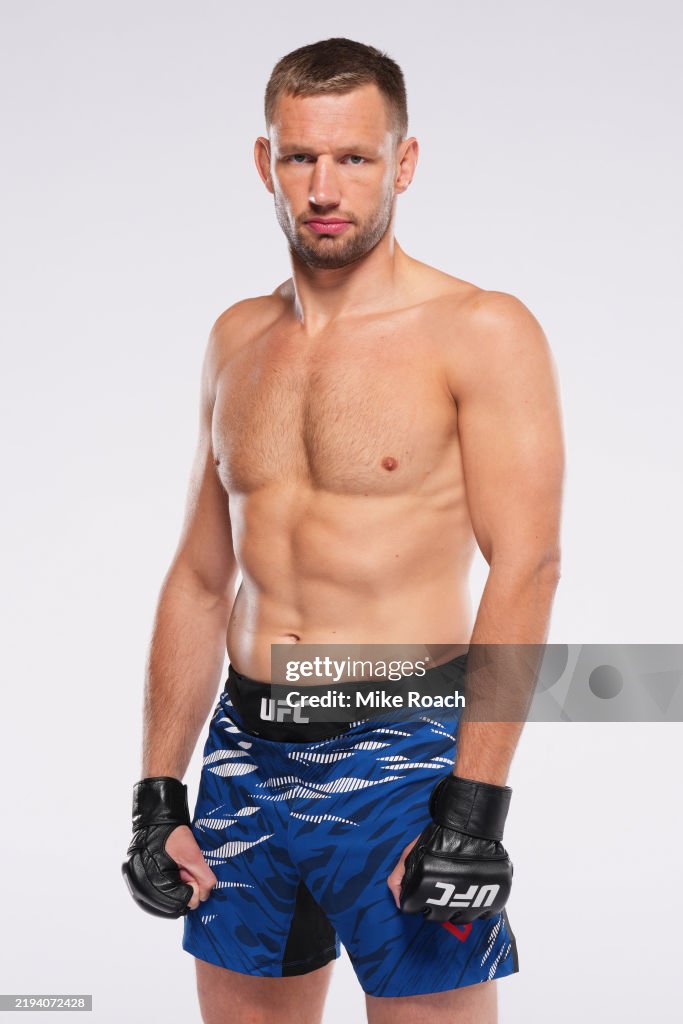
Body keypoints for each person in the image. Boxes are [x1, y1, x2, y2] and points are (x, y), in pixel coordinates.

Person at [122, 36, 564, 1024]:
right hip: (244, 755)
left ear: (403, 163)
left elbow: (526, 565)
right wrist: (157, 790)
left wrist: (474, 804)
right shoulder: (237, 338)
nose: (324, 189)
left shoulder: (479, 330)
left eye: (354, 157)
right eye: (300, 157)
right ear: (265, 162)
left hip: (400, 758)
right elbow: (200, 578)